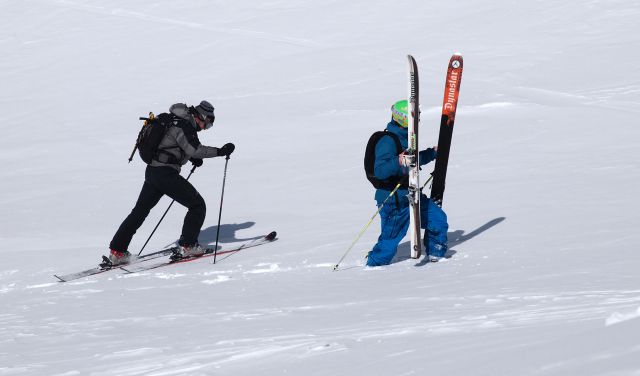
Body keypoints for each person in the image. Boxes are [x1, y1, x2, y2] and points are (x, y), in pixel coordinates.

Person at [107, 100, 235, 265]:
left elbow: (173, 145)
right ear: (201, 117)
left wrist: (191, 159)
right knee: (197, 205)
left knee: (139, 212)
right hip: (165, 174)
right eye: (207, 124)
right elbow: (195, 149)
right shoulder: (184, 125)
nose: (204, 128)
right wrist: (220, 151)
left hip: (153, 171)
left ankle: (118, 251)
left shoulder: (173, 120)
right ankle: (188, 246)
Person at [366, 99, 448, 266]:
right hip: (393, 198)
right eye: (415, 115)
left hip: (411, 193)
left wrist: (432, 154)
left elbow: (413, 160)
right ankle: (373, 266)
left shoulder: (408, 139)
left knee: (438, 220)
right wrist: (399, 161)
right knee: (389, 242)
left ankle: (436, 255)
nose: (418, 118)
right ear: (404, 117)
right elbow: (380, 170)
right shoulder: (388, 140)